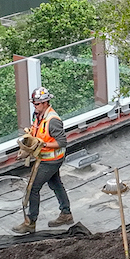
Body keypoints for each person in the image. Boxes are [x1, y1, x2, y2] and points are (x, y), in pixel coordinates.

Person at [15, 86, 78, 232]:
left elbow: (62, 142)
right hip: (44, 158)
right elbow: (34, 133)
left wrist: (43, 144)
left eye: (37, 104)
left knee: (33, 189)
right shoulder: (37, 115)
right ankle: (66, 213)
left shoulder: (52, 120)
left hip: (51, 160)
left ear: (45, 103)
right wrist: (25, 149)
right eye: (34, 104)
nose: (35, 106)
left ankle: (30, 222)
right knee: (56, 184)